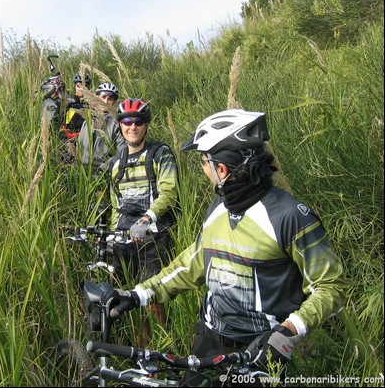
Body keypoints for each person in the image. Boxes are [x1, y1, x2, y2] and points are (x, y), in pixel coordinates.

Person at [101, 109, 345, 382]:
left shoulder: (289, 216)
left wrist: (289, 330)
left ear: (221, 169)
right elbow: (193, 263)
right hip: (208, 341)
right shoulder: (219, 207)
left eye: (204, 162)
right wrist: (137, 295)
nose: (202, 169)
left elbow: (330, 286)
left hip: (262, 351)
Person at [106, 98, 180, 344]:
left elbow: (169, 192)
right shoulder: (117, 163)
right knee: (119, 297)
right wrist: (110, 238)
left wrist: (147, 218)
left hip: (153, 239)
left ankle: (164, 350)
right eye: (127, 121)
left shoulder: (160, 153)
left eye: (138, 121)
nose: (132, 126)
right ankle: (134, 351)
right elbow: (117, 206)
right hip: (124, 241)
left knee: (153, 299)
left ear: (146, 125)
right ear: (120, 126)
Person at [77, 82, 126, 173]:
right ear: (97, 98)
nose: (105, 101)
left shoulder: (117, 124)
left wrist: (103, 168)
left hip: (102, 173)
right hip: (81, 171)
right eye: (103, 97)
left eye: (110, 99)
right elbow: (80, 147)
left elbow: (122, 153)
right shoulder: (87, 121)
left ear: (114, 102)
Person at [60, 71, 92, 141]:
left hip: (88, 139)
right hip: (69, 139)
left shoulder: (92, 104)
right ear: (75, 86)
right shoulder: (68, 103)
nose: (82, 89)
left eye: (85, 86)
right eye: (79, 85)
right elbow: (61, 125)